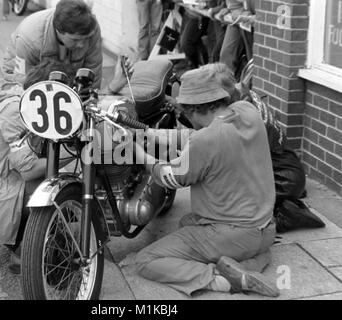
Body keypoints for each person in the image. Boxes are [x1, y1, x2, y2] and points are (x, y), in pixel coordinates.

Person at [0, 56, 133, 273]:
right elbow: (27, 169)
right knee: (60, 185)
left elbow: (80, 109)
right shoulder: (15, 111)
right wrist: (80, 153)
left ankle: (36, 241)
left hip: (2, 189)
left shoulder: (31, 104)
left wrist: (113, 86)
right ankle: (25, 251)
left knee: (63, 171)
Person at [132, 65, 280, 297]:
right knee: (189, 221)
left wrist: (141, 156)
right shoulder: (246, 111)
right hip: (265, 228)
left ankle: (221, 280)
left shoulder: (205, 140)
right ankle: (254, 261)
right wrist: (153, 134)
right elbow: (203, 137)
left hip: (233, 235)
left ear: (192, 110)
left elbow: (171, 177)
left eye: (186, 113)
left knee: (145, 260)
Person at [208, 62, 325, 233]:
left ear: (222, 92)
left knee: (231, 208)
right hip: (288, 172)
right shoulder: (245, 94)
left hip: (282, 180)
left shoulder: (238, 113)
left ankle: (284, 216)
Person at [2, 0, 103, 89]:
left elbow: (93, 70)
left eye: (85, 39)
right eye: (75, 40)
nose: (82, 45)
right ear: (59, 30)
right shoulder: (29, 39)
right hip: (24, 72)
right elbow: (22, 83)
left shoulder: (91, 28)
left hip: (67, 70)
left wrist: (90, 100)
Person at [219, 0, 255, 76]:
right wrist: (237, 12)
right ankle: (225, 85)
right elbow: (234, 6)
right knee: (226, 55)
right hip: (240, 19)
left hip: (255, 19)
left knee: (252, 61)